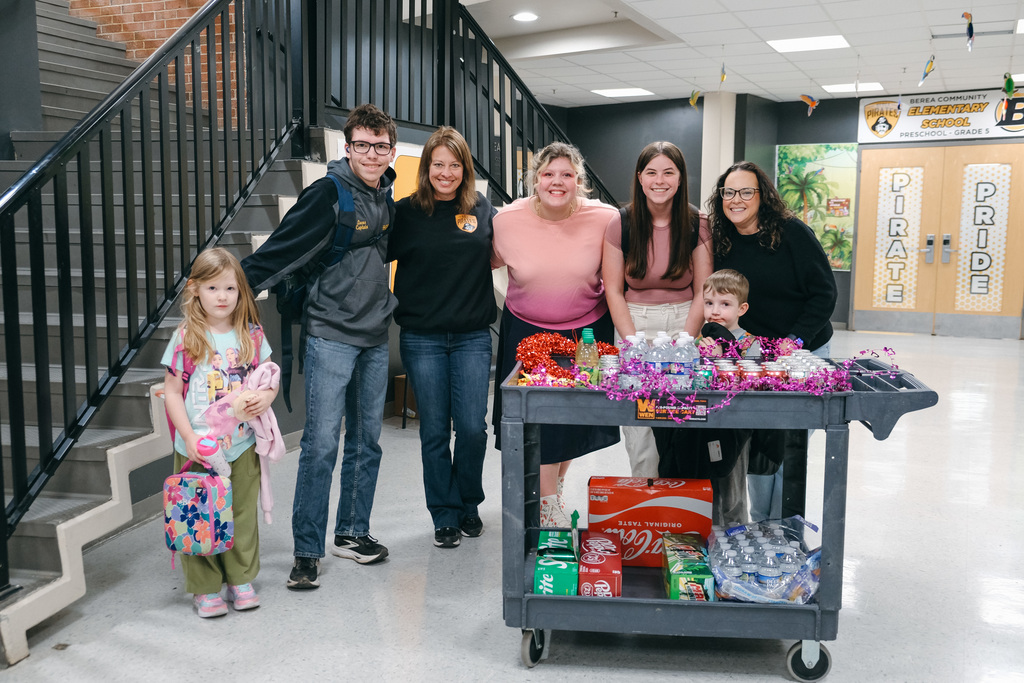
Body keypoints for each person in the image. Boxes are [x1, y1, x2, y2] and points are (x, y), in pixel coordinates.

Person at [242, 103, 398, 589]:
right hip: (331, 334)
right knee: (322, 444)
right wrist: (224, 293)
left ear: (391, 151)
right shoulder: (327, 193)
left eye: (380, 146)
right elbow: (279, 250)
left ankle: (351, 532)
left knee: (367, 442)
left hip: (375, 334)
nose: (371, 155)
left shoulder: (386, 194)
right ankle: (307, 551)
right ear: (347, 148)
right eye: (362, 145)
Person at [491, 142, 620, 528]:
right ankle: (546, 503)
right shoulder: (506, 220)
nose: (557, 182)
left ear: (579, 181)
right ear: (535, 179)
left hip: (587, 331)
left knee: (572, 421)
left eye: (567, 174)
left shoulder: (605, 218)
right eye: (548, 174)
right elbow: (480, 261)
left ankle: (554, 488)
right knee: (540, 421)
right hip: (526, 328)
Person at [707, 161, 837, 522]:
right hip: (754, 356)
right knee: (761, 446)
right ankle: (763, 528)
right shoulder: (723, 238)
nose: (736, 199)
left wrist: (795, 340)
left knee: (789, 446)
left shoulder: (792, 233)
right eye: (729, 192)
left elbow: (824, 293)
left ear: (763, 196)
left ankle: (783, 529)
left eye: (746, 191)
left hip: (803, 351)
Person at [387, 126, 497, 549]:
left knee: (471, 428)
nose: (446, 173)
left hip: (472, 336)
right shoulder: (405, 212)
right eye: (438, 165)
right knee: (434, 430)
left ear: (464, 168)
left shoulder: (482, 209)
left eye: (454, 165)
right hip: (422, 338)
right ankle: (444, 514)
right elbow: (368, 257)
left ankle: (469, 503)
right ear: (426, 168)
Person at [162, 247, 277, 618]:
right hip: (197, 447)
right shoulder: (186, 337)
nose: (222, 297)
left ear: (240, 291)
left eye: (230, 288)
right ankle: (205, 587)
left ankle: (239, 579)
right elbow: (172, 393)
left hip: (241, 445)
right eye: (212, 288)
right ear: (195, 289)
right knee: (199, 515)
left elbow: (269, 379)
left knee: (241, 514)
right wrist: (189, 438)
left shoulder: (251, 336)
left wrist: (264, 397)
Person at [602, 141, 712, 478]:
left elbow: (703, 291)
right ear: (640, 177)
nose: (659, 180)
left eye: (668, 172)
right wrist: (632, 342)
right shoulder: (620, 223)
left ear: (680, 179)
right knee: (641, 430)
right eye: (651, 172)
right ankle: (648, 496)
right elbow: (614, 290)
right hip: (634, 324)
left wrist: (685, 342)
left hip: (684, 323)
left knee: (684, 420)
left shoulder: (697, 223)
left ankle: (683, 501)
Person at [696, 269, 761, 358]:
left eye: (725, 304)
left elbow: (750, 367)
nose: (715, 311)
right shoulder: (700, 340)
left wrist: (717, 359)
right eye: (709, 303)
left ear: (741, 309)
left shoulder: (751, 344)